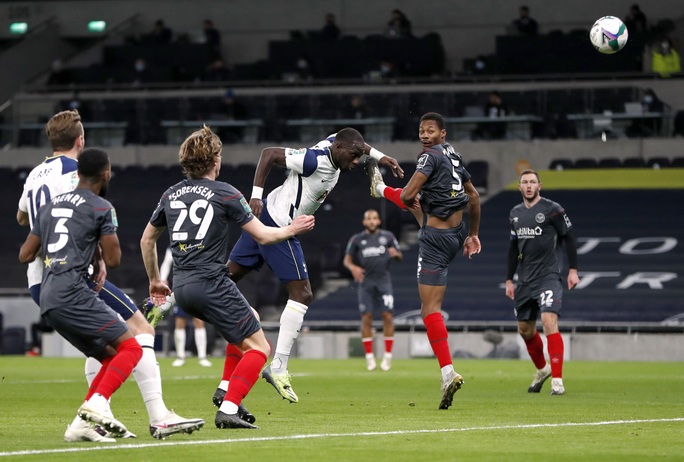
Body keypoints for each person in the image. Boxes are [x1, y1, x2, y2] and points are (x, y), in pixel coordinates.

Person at [16, 109, 203, 441]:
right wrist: (98, 256)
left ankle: (90, 419)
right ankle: (156, 415)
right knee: (138, 331)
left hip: (39, 279)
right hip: (73, 273)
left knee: (102, 349)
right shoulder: (78, 173)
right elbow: (86, 219)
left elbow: (22, 218)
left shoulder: (33, 176)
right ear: (81, 141)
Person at [140, 125, 315, 429]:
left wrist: (155, 280)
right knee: (261, 349)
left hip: (182, 288)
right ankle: (229, 409)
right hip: (212, 284)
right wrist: (292, 229)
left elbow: (146, 240)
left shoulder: (170, 193)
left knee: (252, 316)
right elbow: (262, 235)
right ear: (215, 160)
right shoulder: (226, 193)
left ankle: (225, 389)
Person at [221, 127, 404, 404]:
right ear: (340, 149)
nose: (357, 162)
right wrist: (255, 195)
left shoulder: (337, 145)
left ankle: (167, 300)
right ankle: (279, 366)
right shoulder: (313, 160)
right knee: (302, 294)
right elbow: (268, 154)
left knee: (225, 278)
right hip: (280, 225)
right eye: (353, 156)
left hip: (267, 216)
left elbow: (359, 144)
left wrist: (380, 156)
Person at [18, 148, 143, 442]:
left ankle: (80, 426)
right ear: (106, 173)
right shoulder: (101, 207)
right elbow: (113, 260)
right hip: (74, 292)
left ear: (78, 174)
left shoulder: (51, 206)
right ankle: (96, 403)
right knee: (132, 349)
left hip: (47, 297)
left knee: (110, 357)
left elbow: (25, 254)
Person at [365, 112, 481, 409]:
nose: (425, 135)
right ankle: (378, 188)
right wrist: (474, 235)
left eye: (431, 131)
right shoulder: (454, 155)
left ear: (442, 133)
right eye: (421, 130)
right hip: (457, 234)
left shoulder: (428, 158)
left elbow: (407, 194)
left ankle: (447, 372)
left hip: (436, 241)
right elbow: (474, 197)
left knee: (429, 309)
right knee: (419, 209)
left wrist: (401, 194)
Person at [505, 169, 580, 396]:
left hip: (549, 276)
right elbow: (513, 248)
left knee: (549, 321)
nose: (529, 186)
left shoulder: (552, 209)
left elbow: (569, 237)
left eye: (532, 182)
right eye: (525, 182)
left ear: (540, 186)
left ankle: (557, 381)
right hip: (525, 280)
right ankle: (542, 370)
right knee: (525, 330)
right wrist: (509, 278)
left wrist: (573, 270)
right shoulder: (515, 213)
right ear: (519, 187)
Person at [343, 209, 402, 371]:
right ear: (364, 222)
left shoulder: (388, 237)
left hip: (384, 281)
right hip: (366, 283)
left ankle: (387, 356)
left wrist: (395, 254)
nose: (372, 221)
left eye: (374, 218)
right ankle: (369, 357)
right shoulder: (357, 239)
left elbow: (399, 256)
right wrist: (353, 267)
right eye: (369, 218)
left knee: (387, 316)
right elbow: (347, 260)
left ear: (379, 221)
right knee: (366, 317)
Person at [159, 247, 212, 367]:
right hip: (180, 289)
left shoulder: (197, 245)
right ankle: (180, 356)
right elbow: (167, 263)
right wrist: (163, 279)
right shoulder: (173, 247)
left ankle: (202, 356)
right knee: (180, 322)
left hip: (197, 288)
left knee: (199, 321)